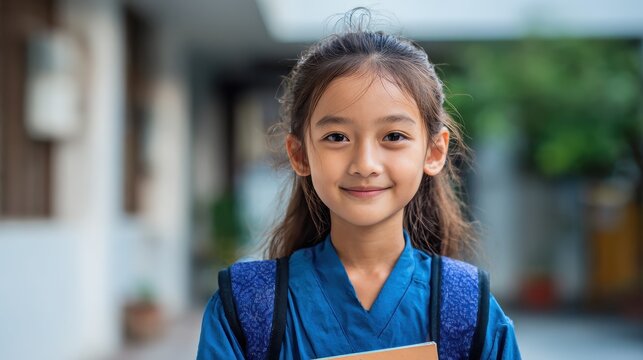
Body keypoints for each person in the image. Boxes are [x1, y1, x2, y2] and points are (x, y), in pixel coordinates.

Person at [197, 10, 521, 360]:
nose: (365, 164)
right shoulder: (245, 308)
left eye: (393, 136)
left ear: (434, 150)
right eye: (336, 137)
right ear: (299, 153)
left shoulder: (469, 308)